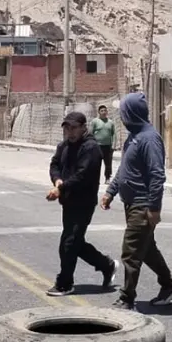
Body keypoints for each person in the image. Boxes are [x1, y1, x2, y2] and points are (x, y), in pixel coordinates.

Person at [101, 93, 172, 311]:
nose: (122, 116)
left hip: (142, 204)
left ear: (132, 113)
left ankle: (127, 298)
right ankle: (169, 286)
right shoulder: (134, 136)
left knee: (130, 252)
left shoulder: (149, 138)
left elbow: (157, 175)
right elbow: (124, 169)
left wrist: (154, 208)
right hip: (131, 203)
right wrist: (110, 191)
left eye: (124, 112)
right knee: (146, 250)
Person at [45, 111, 117, 297]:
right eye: (67, 128)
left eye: (74, 128)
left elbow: (82, 176)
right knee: (75, 242)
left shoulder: (91, 148)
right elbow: (54, 164)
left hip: (83, 202)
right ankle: (106, 265)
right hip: (68, 200)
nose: (70, 131)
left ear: (84, 127)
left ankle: (64, 282)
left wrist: (61, 187)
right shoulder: (65, 146)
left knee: (68, 243)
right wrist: (57, 180)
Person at [91, 105, 117, 183]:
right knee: (96, 164)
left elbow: (114, 134)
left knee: (108, 164)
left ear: (107, 112)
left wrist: (114, 145)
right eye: (102, 111)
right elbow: (91, 133)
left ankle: (107, 178)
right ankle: (96, 179)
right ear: (99, 112)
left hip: (108, 147)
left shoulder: (110, 122)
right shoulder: (95, 121)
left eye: (105, 111)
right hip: (97, 146)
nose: (104, 112)